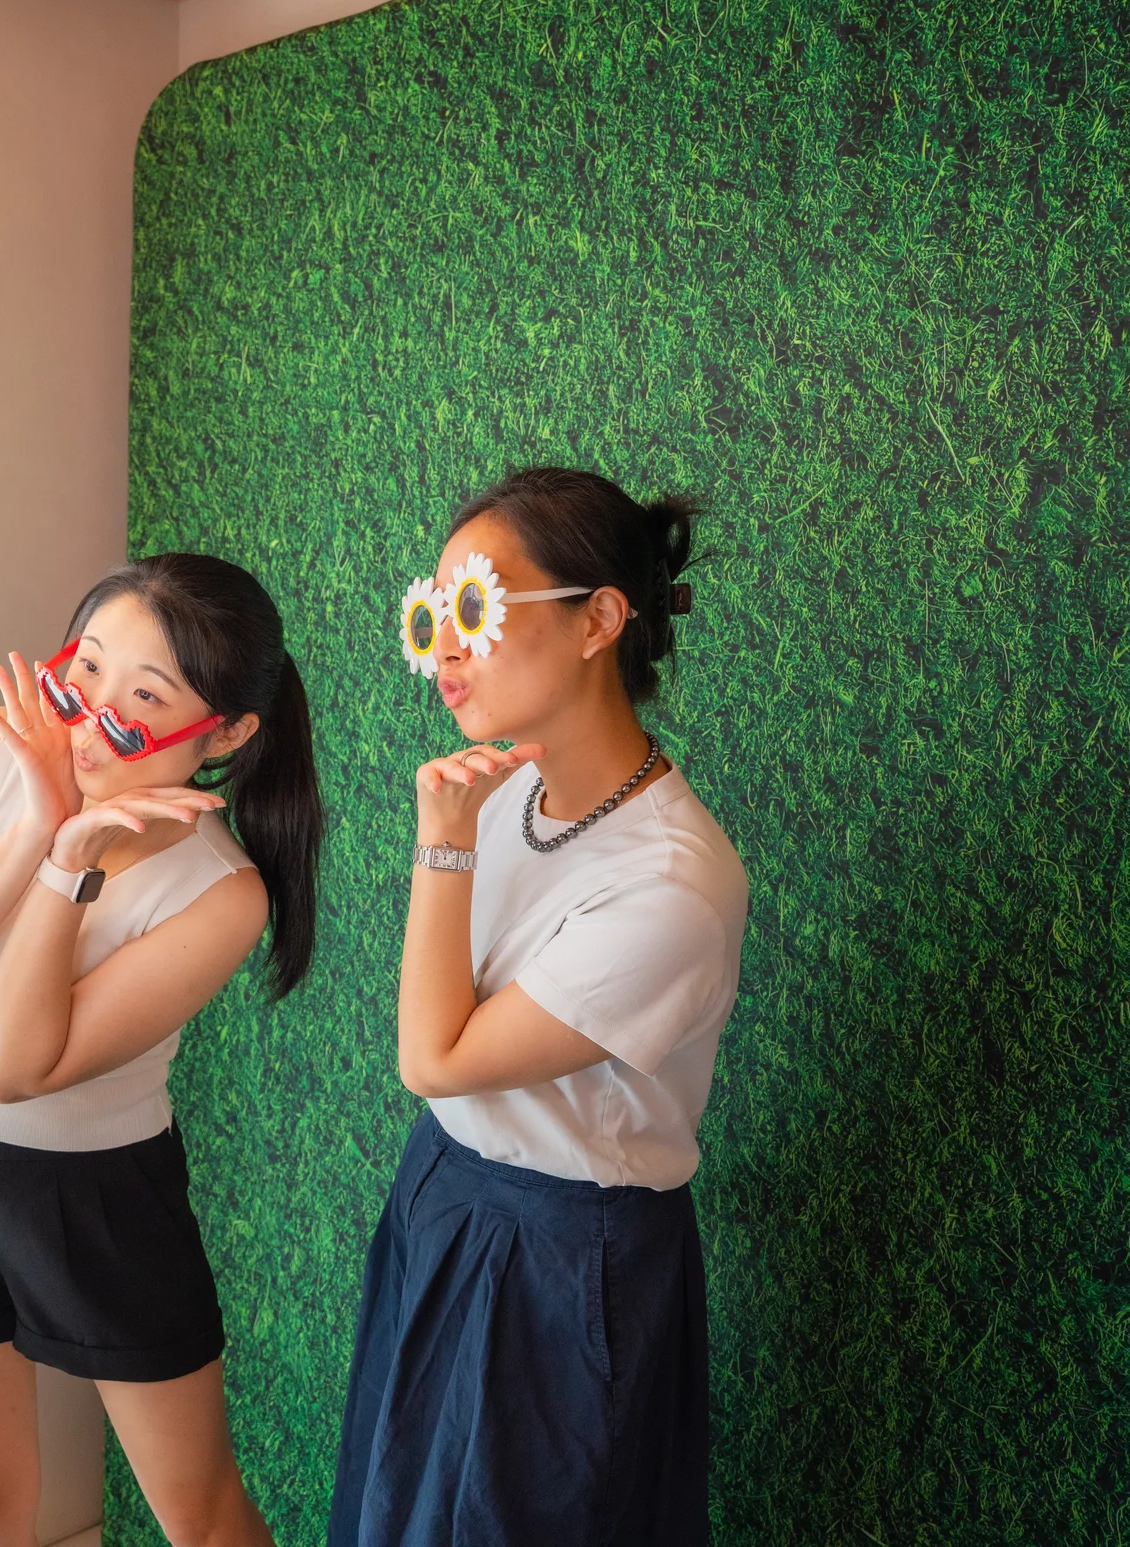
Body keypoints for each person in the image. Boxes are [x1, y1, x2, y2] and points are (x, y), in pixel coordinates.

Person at [332, 466, 748, 1547]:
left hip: (564, 1261)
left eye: (472, 606)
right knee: (393, 1508)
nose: (443, 650)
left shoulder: (671, 883)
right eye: (432, 617)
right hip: (441, 1195)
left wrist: (440, 837)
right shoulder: (507, 794)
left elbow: (431, 1054)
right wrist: (461, 828)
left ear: (597, 620)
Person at [0, 553, 324, 1547]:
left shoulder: (222, 896)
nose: (88, 723)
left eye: (139, 703)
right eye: (82, 674)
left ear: (225, 735)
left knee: (198, 1512)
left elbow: (14, 1070)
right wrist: (33, 828)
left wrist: (65, 871)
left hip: (93, 1198)